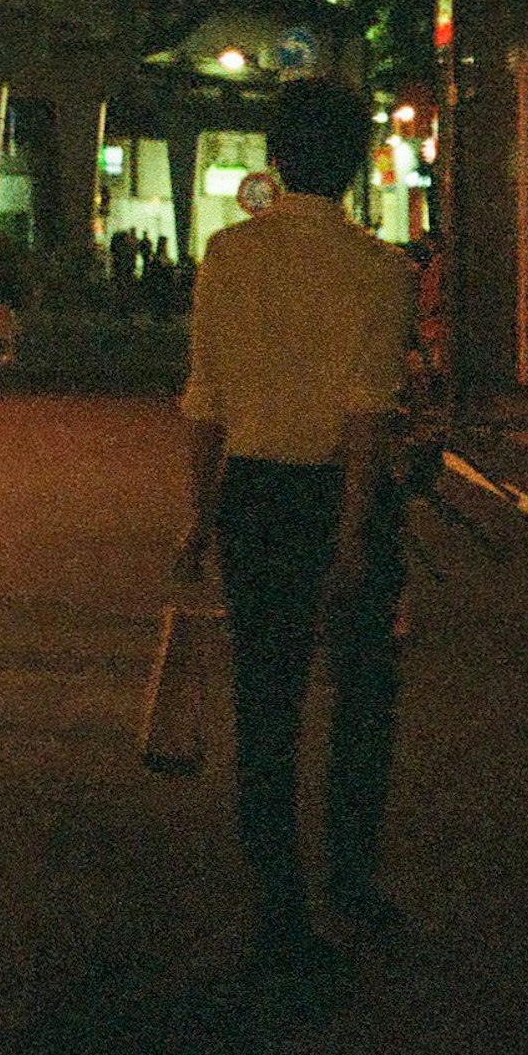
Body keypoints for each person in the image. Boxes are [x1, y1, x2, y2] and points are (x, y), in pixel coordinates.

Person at [176, 77, 418, 973]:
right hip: (340, 494)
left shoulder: (227, 257)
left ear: (274, 158)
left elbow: (204, 401)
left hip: (251, 496)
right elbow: (368, 413)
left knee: (264, 700)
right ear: (356, 164)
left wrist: (200, 520)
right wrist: (354, 533)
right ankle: (351, 878)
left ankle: (277, 895)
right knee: (361, 697)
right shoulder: (383, 271)